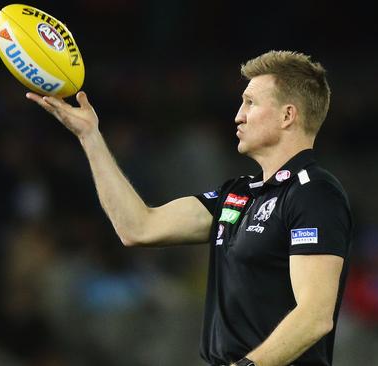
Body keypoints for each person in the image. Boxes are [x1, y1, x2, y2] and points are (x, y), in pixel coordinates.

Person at [26, 50, 352, 366]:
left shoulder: (314, 194)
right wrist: (90, 137)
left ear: (287, 115)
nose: (238, 115)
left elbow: (315, 316)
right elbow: (139, 227)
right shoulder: (237, 194)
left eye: (250, 103)